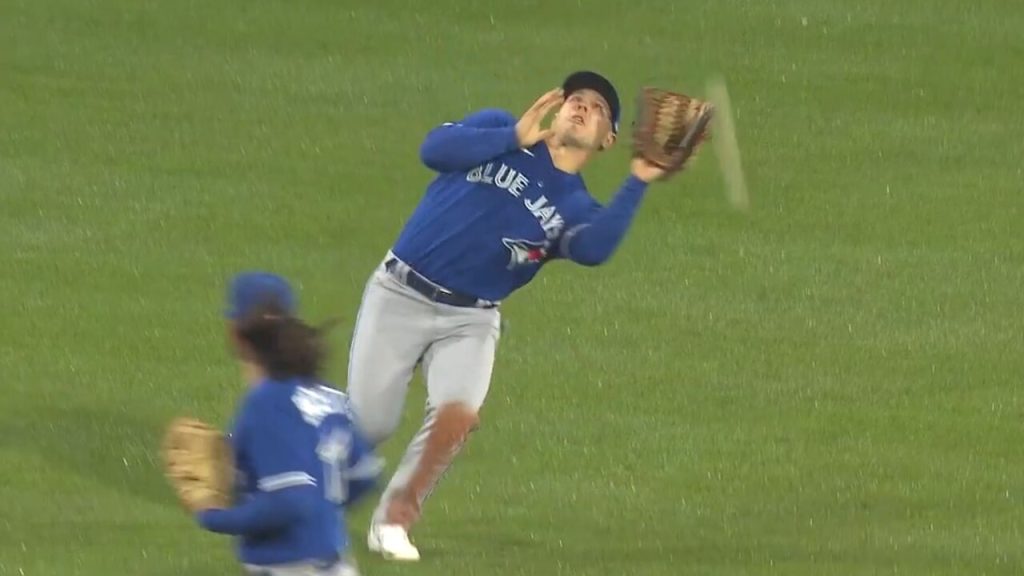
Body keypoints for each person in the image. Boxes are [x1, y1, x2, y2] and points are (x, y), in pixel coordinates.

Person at [345, 70, 677, 561]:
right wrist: (511, 137)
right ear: (557, 106)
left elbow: (594, 250)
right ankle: (305, 414)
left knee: (456, 417)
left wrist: (639, 180)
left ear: (607, 141)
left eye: (598, 108)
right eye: (576, 99)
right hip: (400, 292)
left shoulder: (576, 208)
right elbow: (433, 150)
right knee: (369, 426)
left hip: (470, 321)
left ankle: (393, 520)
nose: (582, 107)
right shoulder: (498, 130)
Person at [197, 271, 383, 575]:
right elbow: (364, 477)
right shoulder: (331, 398)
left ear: (236, 334)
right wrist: (321, 516)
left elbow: (291, 500)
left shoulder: (267, 404)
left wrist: (214, 517)